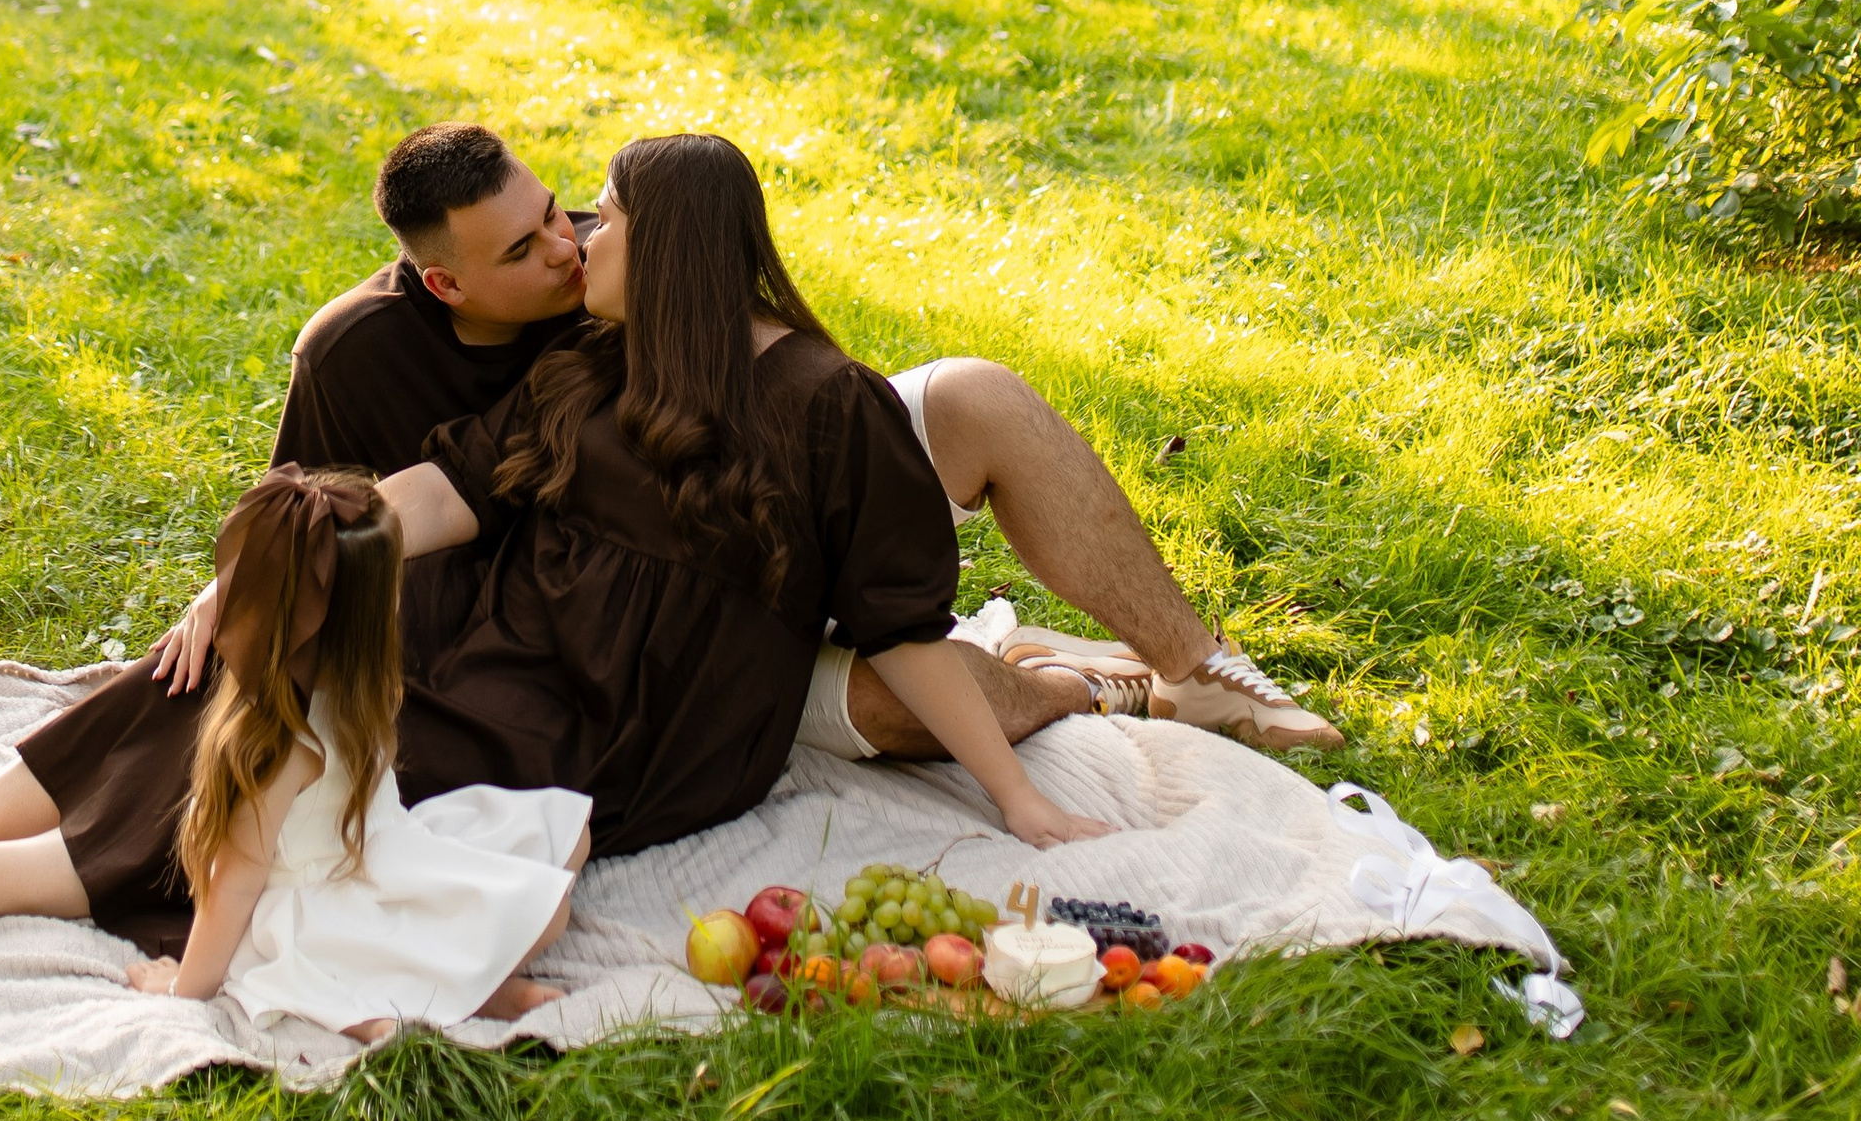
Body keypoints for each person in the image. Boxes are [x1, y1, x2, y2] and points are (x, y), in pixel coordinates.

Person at [0, 129, 1111, 953]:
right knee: (285, 637)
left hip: (642, 723)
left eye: (601, 216)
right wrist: (277, 561)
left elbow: (903, 627)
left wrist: (1017, 800)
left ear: (684, 252)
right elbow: (442, 490)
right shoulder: (596, 365)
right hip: (516, 645)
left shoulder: (830, 408)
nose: (581, 235)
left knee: (334, 758)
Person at [163, 123, 1336, 762]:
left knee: (975, 395)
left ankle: (1200, 667)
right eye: (525, 253)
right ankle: (1087, 692)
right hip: (622, 609)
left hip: (750, 484)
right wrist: (242, 585)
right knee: (892, 706)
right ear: (444, 282)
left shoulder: (603, 260)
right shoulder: (355, 352)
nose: (568, 250)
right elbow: (324, 501)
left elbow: (754, 341)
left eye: (567, 213)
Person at [122, 466, 590, 1038]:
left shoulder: (313, 721)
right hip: (355, 887)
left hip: (355, 883)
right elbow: (244, 879)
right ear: (368, 625)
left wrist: (181, 986)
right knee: (550, 850)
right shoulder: (325, 721)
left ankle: (442, 994)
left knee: (557, 833)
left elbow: (246, 879)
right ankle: (469, 989)